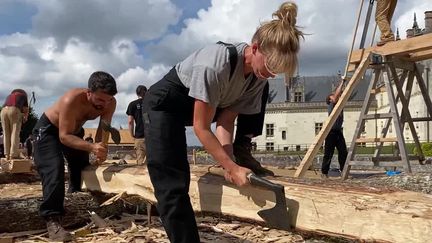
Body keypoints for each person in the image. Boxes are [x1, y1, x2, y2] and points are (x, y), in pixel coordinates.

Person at [142, 2, 303, 242]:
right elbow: (201, 127)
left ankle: (242, 149)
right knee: (173, 181)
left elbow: (225, 121)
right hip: (164, 106)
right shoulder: (215, 64)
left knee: (262, 88)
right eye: (270, 66)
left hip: (206, 106)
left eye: (278, 70)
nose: (272, 73)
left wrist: (231, 161)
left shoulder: (258, 78)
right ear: (255, 48)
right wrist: (230, 166)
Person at [32, 71, 117, 241]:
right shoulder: (71, 99)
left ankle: (75, 197)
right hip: (48, 131)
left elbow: (104, 128)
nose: (104, 104)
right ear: (89, 92)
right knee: (54, 168)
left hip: (74, 131)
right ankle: (52, 220)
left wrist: (101, 148)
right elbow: (64, 136)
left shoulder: (109, 103)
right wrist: (92, 146)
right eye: (100, 100)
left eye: (108, 100)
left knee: (81, 166)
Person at [321, 80, 348, 178]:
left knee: (343, 152)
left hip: (338, 131)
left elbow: (341, 94)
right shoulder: (332, 105)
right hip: (330, 132)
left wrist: (345, 83)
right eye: (332, 96)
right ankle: (324, 172)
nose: (335, 96)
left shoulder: (339, 105)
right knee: (328, 153)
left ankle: (343, 171)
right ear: (330, 100)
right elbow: (336, 96)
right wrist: (342, 82)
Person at [1, 89, 29, 160]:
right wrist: (25, 117)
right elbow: (25, 110)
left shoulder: (9, 96)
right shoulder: (23, 96)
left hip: (3, 111)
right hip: (14, 110)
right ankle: (13, 154)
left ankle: (7, 154)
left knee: (6, 133)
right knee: (15, 133)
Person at [126, 85, 147, 165]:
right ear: (146, 91)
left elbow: (130, 121)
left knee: (140, 163)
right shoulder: (152, 103)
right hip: (152, 136)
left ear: (137, 93)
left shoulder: (132, 104)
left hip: (139, 136)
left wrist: (132, 135)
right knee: (153, 163)